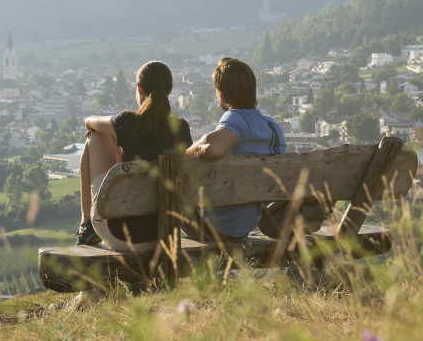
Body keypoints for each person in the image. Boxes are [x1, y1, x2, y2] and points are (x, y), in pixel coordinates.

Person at [74, 61, 193, 249]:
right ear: (169, 90)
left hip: (122, 235)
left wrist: (107, 131)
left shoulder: (127, 122)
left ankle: (86, 225)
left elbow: (89, 121)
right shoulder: (182, 129)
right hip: (165, 232)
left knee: (96, 136)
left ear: (139, 88)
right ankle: (86, 225)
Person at [184, 56, 286, 240]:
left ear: (221, 95)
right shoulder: (273, 127)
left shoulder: (235, 117)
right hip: (245, 225)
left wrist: (185, 154)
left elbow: (213, 149)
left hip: (213, 226)